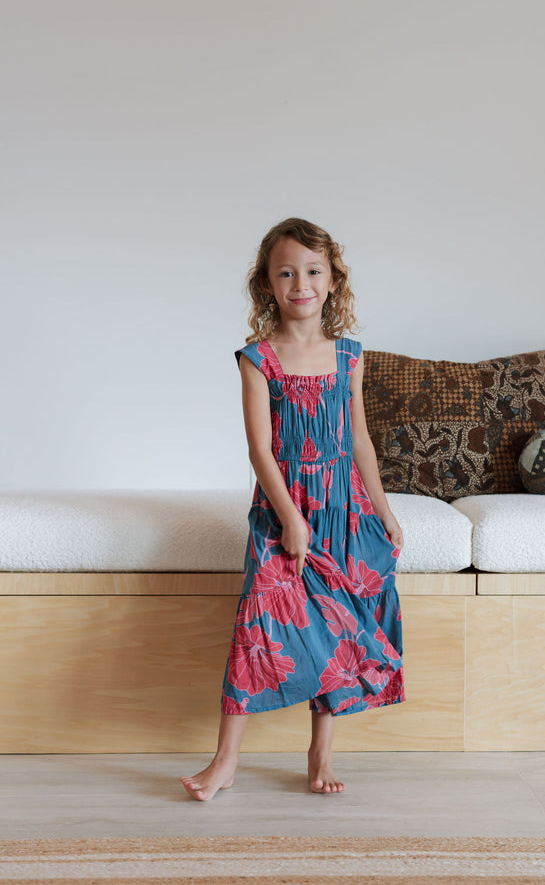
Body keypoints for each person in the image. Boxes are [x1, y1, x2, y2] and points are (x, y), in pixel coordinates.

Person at [180, 217, 405, 802]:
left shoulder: (349, 356)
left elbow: (359, 439)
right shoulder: (259, 357)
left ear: (332, 281)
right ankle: (225, 760)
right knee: (259, 626)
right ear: (268, 285)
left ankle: (320, 753)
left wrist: (382, 509)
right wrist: (290, 519)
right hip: (285, 509)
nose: (300, 283)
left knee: (336, 624)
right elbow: (259, 448)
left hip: (344, 509)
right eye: (286, 273)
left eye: (312, 271)